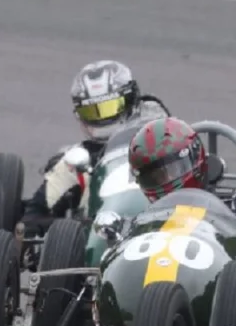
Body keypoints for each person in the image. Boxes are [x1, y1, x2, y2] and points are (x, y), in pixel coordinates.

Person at [19, 60, 171, 234]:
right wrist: (77, 228)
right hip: (101, 237)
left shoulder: (162, 140)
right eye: (92, 112)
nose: (102, 119)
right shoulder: (76, 161)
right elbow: (31, 220)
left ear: (130, 101)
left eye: (109, 108)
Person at [125, 116, 236, 241]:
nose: (166, 181)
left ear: (195, 158)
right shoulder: (142, 218)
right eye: (155, 178)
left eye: (173, 170)